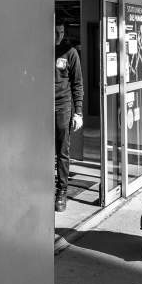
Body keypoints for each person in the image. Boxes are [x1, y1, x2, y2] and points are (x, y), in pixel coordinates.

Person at [54, 24, 84, 212]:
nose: (59, 35)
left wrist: (78, 112)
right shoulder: (41, 49)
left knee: (62, 151)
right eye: (56, 31)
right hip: (41, 107)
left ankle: (62, 191)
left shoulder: (70, 53)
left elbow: (77, 83)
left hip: (62, 107)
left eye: (62, 32)